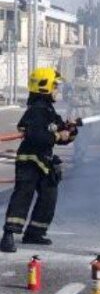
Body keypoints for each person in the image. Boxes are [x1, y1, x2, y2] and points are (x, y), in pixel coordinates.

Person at [0, 68, 77, 252]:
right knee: (22, 196)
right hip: (29, 161)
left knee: (49, 196)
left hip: (44, 160)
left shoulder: (49, 110)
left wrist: (70, 130)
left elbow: (59, 131)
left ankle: (35, 232)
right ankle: (8, 235)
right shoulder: (36, 111)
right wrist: (59, 136)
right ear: (45, 87)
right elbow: (37, 136)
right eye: (55, 86)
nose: (57, 90)